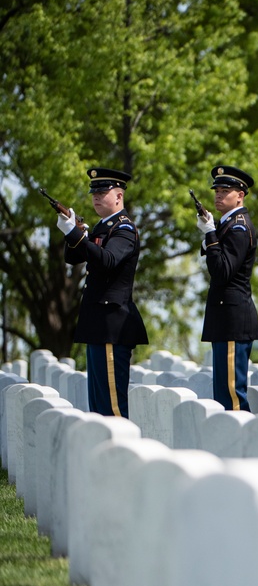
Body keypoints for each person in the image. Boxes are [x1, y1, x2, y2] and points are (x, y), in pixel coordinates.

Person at [58, 167, 148, 417]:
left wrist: (76, 234)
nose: (96, 197)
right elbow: (73, 257)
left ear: (119, 196)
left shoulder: (124, 229)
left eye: (102, 192)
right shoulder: (101, 227)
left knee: (113, 408)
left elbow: (106, 259)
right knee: (98, 407)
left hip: (113, 325)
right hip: (98, 324)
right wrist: (74, 232)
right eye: (93, 193)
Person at [197, 165, 258, 411]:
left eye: (226, 191)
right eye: (217, 191)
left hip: (233, 319)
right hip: (224, 318)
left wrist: (211, 235)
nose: (219, 195)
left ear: (240, 195)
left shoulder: (238, 226)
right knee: (222, 393)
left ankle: (241, 445)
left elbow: (223, 271)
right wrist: (211, 234)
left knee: (232, 396)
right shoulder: (228, 224)